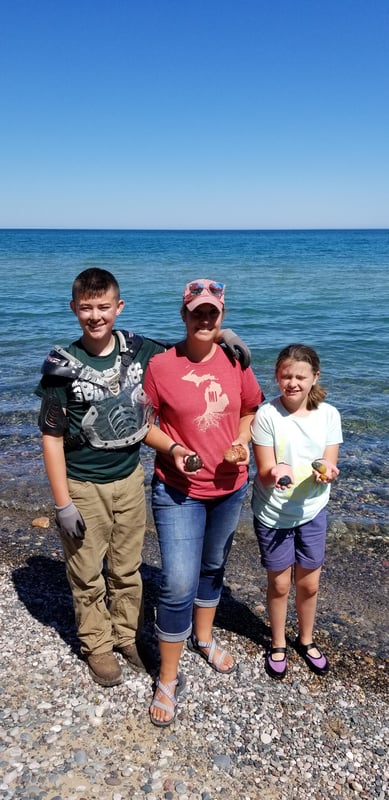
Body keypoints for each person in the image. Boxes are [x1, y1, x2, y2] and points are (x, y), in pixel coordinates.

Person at [35, 268, 251, 688]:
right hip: (82, 483)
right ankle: (96, 644)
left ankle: (126, 635)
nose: (95, 316)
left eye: (103, 307)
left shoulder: (136, 350)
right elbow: (50, 437)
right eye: (86, 308)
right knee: (86, 570)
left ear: (119, 308)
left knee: (127, 566)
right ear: (73, 310)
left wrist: (225, 336)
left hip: (130, 478)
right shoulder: (60, 366)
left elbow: (184, 351)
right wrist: (62, 502)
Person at [142, 278, 264, 726]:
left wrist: (242, 438)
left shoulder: (236, 361)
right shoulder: (160, 366)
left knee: (213, 567)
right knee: (176, 581)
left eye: (213, 312)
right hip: (178, 490)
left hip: (230, 486)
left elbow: (252, 408)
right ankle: (168, 678)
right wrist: (174, 450)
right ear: (184, 314)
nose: (205, 318)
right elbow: (144, 423)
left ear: (222, 316)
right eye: (198, 311)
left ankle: (205, 638)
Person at [251, 343, 342, 680]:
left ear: (314, 377)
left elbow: (329, 461)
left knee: (309, 584)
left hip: (313, 510)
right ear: (277, 376)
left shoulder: (329, 415)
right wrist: (276, 473)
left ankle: (305, 640)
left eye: (300, 376)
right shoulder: (267, 415)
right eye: (286, 375)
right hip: (274, 513)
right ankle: (277, 643)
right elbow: (263, 470)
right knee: (279, 585)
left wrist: (328, 471)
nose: (293, 383)